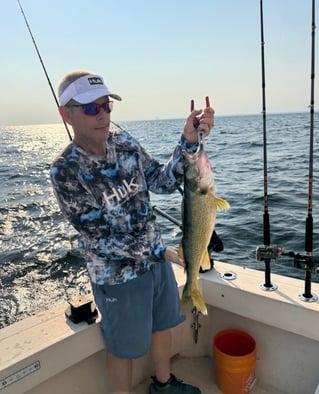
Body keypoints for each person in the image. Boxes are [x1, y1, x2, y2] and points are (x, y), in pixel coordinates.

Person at [50, 70, 214, 394]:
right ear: (65, 114)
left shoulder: (124, 142)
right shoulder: (65, 170)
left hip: (157, 260)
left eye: (107, 106)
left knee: (163, 325)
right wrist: (160, 252)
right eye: (91, 108)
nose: (103, 115)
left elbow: (162, 180)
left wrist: (189, 142)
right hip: (117, 276)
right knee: (123, 348)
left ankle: (164, 384)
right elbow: (98, 237)